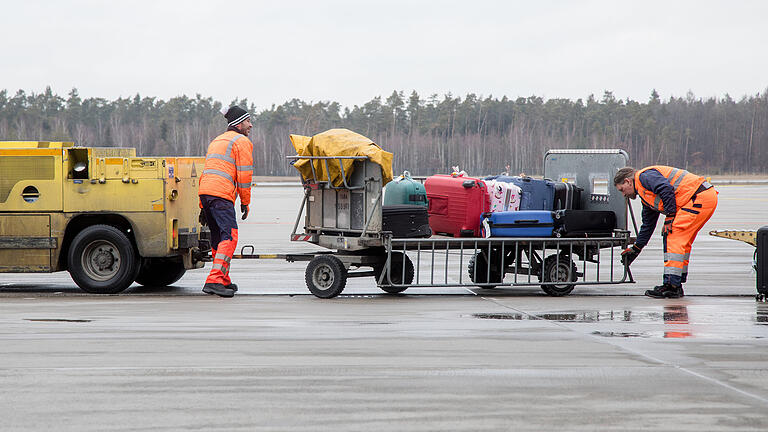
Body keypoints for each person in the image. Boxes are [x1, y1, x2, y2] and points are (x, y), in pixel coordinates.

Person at [614, 166, 717, 298]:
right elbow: (648, 225)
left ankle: (671, 286)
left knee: (672, 236)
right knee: (680, 241)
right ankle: (676, 283)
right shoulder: (646, 196)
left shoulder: (643, 177)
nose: (624, 194)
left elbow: (665, 188)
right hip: (701, 198)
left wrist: (669, 216)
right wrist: (636, 248)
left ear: (628, 181)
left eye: (622, 190)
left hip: (697, 198)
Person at [198, 105, 254, 297]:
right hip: (221, 196)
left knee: (218, 238)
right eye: (248, 121)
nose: (251, 125)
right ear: (238, 124)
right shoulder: (241, 141)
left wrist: (202, 206)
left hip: (206, 194)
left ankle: (223, 278)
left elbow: (207, 171)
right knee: (230, 236)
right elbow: (244, 176)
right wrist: (245, 202)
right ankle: (214, 280)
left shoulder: (217, 140)